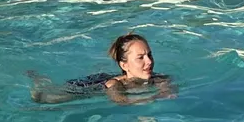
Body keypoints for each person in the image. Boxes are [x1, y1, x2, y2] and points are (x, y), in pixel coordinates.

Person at [28, 32, 177, 105]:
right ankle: (40, 80)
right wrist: (153, 97)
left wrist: (165, 90)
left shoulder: (160, 78)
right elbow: (122, 102)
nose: (149, 61)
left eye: (149, 55)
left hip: (108, 77)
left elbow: (169, 91)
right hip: (85, 87)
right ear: (124, 65)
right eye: (141, 57)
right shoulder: (114, 85)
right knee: (43, 97)